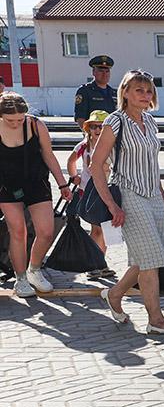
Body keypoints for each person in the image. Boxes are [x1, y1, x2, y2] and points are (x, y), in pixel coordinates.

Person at [88, 69, 164, 334]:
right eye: (139, 90)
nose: (145, 95)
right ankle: (156, 320)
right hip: (128, 193)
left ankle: (114, 294)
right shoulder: (115, 121)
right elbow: (96, 165)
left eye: (149, 90)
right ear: (126, 93)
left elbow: (152, 164)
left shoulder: (150, 121)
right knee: (150, 259)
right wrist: (112, 205)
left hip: (153, 194)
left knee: (151, 256)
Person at [0, 92, 73, 298]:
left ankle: (34, 269)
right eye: (10, 120)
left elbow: (48, 155)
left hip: (36, 182)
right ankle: (21, 278)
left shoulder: (35, 125)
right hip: (6, 186)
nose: (16, 124)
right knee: (18, 231)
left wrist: (62, 183)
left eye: (20, 119)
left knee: (46, 231)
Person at [66, 110, 117, 280]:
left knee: (106, 230)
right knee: (96, 229)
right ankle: (94, 264)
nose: (97, 130)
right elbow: (71, 161)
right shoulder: (84, 146)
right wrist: (74, 176)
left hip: (108, 191)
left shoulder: (113, 146)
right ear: (88, 129)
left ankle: (100, 263)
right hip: (89, 192)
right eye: (94, 126)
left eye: (101, 126)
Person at [73, 55, 117, 129]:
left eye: (107, 71)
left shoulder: (114, 93)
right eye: (101, 71)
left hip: (111, 133)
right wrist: (87, 133)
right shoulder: (85, 91)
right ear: (93, 72)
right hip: (93, 132)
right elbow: (80, 117)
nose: (104, 74)